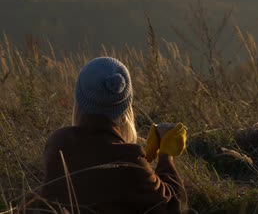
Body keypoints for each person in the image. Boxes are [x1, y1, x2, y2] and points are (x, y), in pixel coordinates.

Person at [28, 57, 188, 213]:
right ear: (126, 108)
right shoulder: (130, 158)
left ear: (79, 101)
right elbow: (173, 205)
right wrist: (166, 155)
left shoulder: (58, 143)